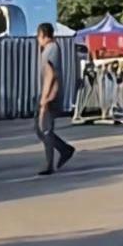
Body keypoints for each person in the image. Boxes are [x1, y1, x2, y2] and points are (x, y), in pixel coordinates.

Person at [35, 22, 75, 176]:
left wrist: (44, 98)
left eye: (38, 36)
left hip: (51, 94)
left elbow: (50, 75)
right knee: (42, 129)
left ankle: (51, 162)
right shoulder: (50, 49)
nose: (38, 39)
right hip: (50, 93)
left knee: (44, 129)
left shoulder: (51, 49)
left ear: (42, 35)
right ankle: (63, 150)